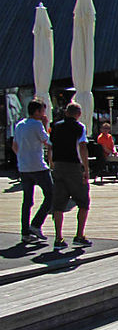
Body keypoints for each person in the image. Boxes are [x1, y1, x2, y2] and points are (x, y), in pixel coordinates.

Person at [49, 102, 91, 249]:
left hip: (58, 165)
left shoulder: (55, 126)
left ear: (66, 113)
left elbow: (50, 146)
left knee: (59, 204)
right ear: (78, 114)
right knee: (83, 202)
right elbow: (83, 147)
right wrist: (86, 169)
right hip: (73, 166)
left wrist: (51, 164)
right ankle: (79, 235)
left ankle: (58, 238)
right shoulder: (80, 127)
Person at [12, 99, 52, 243]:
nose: (44, 114)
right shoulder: (37, 124)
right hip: (38, 166)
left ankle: (25, 232)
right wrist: (45, 125)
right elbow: (47, 141)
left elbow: (14, 146)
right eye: (42, 111)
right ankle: (36, 224)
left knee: (27, 201)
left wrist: (22, 157)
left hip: (24, 167)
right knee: (51, 195)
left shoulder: (19, 125)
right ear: (37, 112)